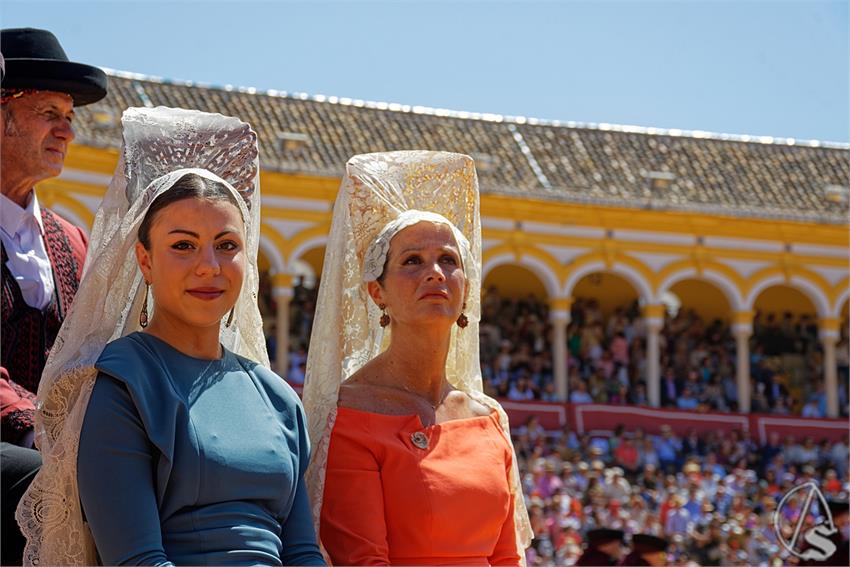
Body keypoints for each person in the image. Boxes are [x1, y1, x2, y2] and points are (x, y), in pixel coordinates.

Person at [16, 107, 324, 566]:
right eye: (183, 245)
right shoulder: (122, 384)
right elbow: (137, 560)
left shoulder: (278, 398)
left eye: (227, 245)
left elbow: (302, 552)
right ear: (144, 261)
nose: (209, 266)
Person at [302, 151, 532, 565]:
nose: (435, 273)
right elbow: (364, 560)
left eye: (449, 260)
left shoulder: (489, 418)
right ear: (378, 293)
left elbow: (507, 558)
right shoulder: (350, 414)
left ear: (466, 288)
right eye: (412, 261)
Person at [1, 27, 106, 566]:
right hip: (21, 445)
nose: (67, 130)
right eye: (50, 112)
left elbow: (95, 345)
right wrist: (36, 426)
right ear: (2, 115)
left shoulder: (72, 238)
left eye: (70, 116)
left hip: (59, 439)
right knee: (39, 482)